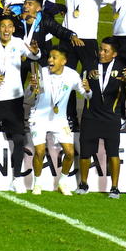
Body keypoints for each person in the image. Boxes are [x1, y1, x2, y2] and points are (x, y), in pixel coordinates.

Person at [42, 0, 111, 130]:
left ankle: (93, 117)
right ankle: (69, 117)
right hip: (68, 39)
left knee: (92, 79)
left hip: (87, 41)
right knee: (65, 79)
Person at [0, 14, 40, 193]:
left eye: (10, 26)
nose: (6, 29)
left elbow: (35, 56)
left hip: (13, 99)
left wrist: (35, 51)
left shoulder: (19, 43)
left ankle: (17, 179)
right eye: (3, 26)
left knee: (19, 139)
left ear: (13, 29)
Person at [78, 37, 126, 198]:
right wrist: (85, 83)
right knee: (85, 152)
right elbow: (81, 85)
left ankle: (114, 187)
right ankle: (83, 184)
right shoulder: (90, 65)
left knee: (113, 153)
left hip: (111, 117)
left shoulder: (121, 68)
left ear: (114, 54)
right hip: (90, 115)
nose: (101, 53)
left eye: (106, 51)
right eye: (101, 49)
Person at [29, 47, 90, 195]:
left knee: (69, 152)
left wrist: (88, 90)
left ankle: (62, 182)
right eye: (49, 57)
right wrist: (31, 89)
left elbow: (88, 96)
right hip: (39, 117)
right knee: (39, 151)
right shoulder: (40, 73)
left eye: (54, 57)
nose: (50, 60)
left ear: (63, 61)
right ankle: (37, 184)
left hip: (59, 119)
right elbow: (27, 98)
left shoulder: (72, 75)